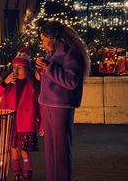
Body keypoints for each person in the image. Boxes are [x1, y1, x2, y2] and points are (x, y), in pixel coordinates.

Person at [35, 21, 90, 181]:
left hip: (61, 105)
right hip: (47, 104)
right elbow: (47, 76)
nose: (43, 44)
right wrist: (41, 70)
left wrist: (48, 68)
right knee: (51, 151)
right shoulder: (51, 53)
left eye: (44, 40)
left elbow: (71, 82)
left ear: (54, 38)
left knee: (61, 150)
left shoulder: (71, 54)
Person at [0, 48, 43, 181]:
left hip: (26, 123)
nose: (16, 70)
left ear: (27, 69)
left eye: (20, 67)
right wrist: (5, 82)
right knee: (13, 150)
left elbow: (40, 105)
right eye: (14, 67)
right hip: (10, 122)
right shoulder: (9, 83)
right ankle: (16, 172)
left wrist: (43, 123)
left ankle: (27, 171)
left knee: (25, 152)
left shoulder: (32, 85)